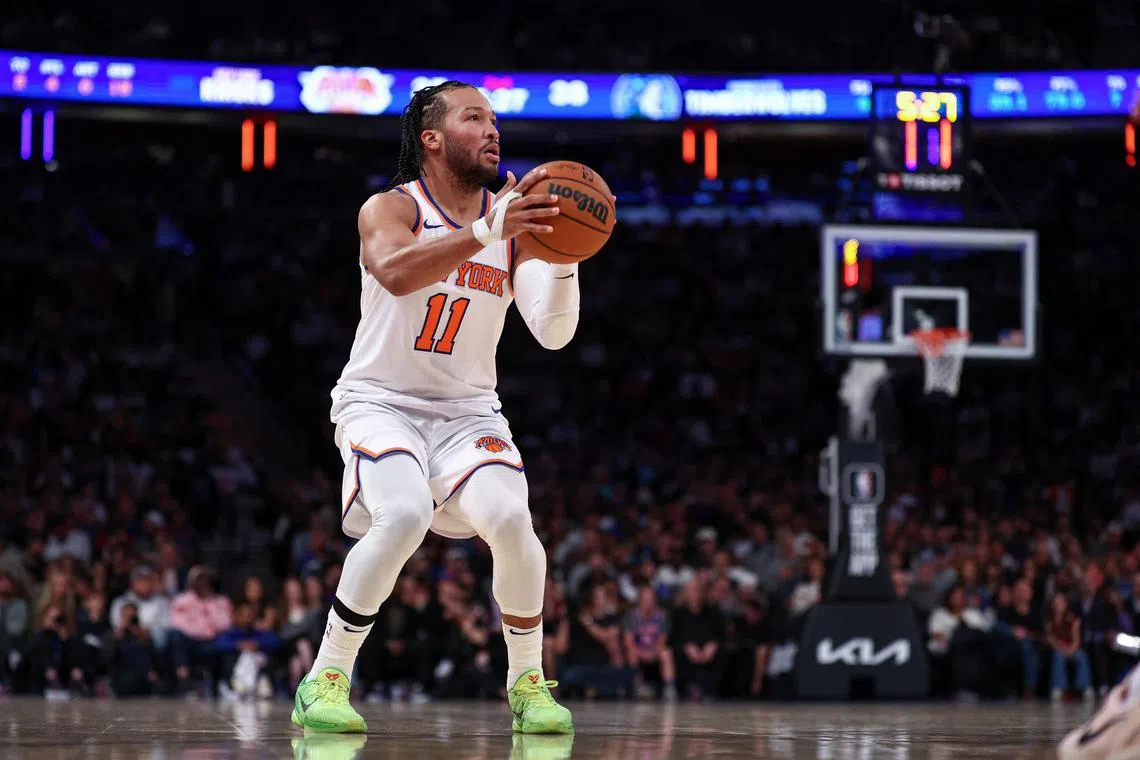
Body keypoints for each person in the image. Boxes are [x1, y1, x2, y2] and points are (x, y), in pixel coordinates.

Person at [293, 80, 610, 735]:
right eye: (474, 117)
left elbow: (553, 333)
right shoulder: (392, 207)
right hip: (381, 402)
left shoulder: (513, 223)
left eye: (494, 119)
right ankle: (326, 677)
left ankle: (527, 684)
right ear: (432, 139)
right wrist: (487, 230)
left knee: (513, 520)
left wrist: (566, 254)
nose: (493, 130)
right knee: (406, 512)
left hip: (467, 412)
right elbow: (397, 271)